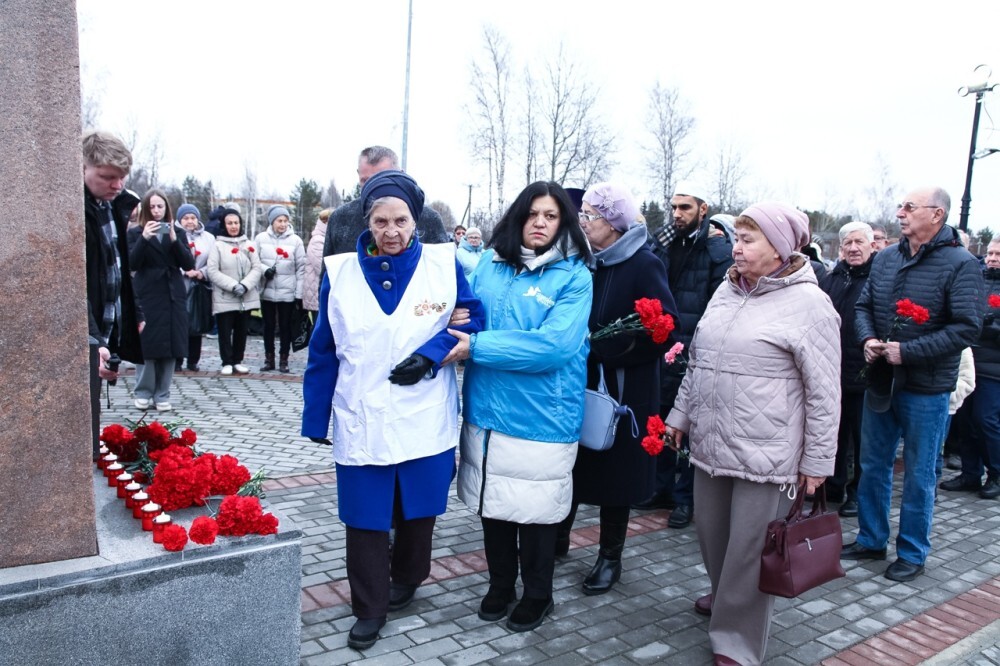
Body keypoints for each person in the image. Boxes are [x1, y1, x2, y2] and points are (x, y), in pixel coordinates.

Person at [302, 170, 484, 651]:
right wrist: (315, 417)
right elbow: (324, 349)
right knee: (364, 518)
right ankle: (369, 607)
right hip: (361, 412)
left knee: (417, 510)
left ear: (415, 221)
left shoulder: (444, 266)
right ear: (368, 221)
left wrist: (432, 352)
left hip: (423, 412)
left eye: (400, 220)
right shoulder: (340, 273)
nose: (391, 231)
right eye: (381, 221)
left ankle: (407, 577)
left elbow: (474, 318)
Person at [665, 202, 841, 666]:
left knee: (748, 552)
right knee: (713, 536)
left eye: (746, 240)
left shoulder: (811, 305)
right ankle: (727, 599)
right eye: (736, 239)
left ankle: (736, 643)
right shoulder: (726, 291)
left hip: (769, 454)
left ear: (780, 247)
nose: (735, 249)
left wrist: (818, 463)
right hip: (712, 441)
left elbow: (825, 393)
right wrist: (680, 416)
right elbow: (700, 361)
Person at [448, 181, 594, 633]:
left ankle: (538, 594)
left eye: (550, 216)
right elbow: (466, 311)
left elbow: (553, 346)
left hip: (541, 415)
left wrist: (478, 347)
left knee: (535, 513)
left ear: (563, 223)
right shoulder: (490, 265)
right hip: (488, 409)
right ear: (518, 217)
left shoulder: (574, 275)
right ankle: (499, 585)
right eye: (533, 214)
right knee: (493, 504)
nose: (540, 223)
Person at [843, 187, 985, 583]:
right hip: (883, 380)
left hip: (927, 387)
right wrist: (868, 339)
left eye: (909, 207)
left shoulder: (961, 263)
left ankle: (912, 552)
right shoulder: (886, 257)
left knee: (920, 473)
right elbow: (863, 306)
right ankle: (871, 538)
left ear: (936, 215)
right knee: (873, 464)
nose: (900, 212)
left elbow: (966, 327)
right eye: (901, 206)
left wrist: (910, 351)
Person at [558, 182, 676, 595]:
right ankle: (558, 539)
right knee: (572, 462)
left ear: (612, 223)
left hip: (625, 390)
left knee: (616, 477)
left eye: (588, 216)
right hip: (580, 380)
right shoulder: (585, 261)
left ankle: (610, 556)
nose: (582, 222)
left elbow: (664, 327)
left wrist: (606, 346)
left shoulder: (643, 264)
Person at [636, 183, 733, 530]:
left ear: (703, 209)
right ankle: (659, 488)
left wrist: (698, 348)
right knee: (661, 420)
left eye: (685, 208)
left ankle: (684, 498)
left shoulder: (717, 249)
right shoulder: (666, 243)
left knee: (691, 427)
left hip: (696, 349)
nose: (677, 214)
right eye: (674, 207)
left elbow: (721, 304)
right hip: (664, 345)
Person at [83, 131, 142, 457]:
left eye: (122, 178)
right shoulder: (73, 209)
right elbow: (74, 287)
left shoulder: (111, 206)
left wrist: (137, 313)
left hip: (106, 327)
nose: (117, 185)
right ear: (82, 167)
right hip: (88, 331)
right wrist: (93, 340)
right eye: (108, 177)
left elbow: (119, 271)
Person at [819, 221, 876, 517]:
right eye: (847, 244)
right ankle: (833, 485)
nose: (853, 248)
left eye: (859, 242)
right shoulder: (832, 279)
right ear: (840, 249)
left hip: (864, 374)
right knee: (835, 434)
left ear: (871, 246)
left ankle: (858, 493)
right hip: (833, 372)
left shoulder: (879, 278)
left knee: (863, 440)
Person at [940, 234, 1000, 498]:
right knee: (964, 421)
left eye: (998, 255)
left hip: (993, 368)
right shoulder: (977, 277)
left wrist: (989, 326)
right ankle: (971, 473)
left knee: (986, 420)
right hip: (968, 360)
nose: (992, 259)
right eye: (990, 253)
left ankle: (996, 473)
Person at [126, 189, 195, 412]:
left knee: (171, 345)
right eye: (152, 207)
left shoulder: (179, 233)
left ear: (167, 208)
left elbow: (188, 264)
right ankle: (143, 391)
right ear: (146, 209)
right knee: (148, 344)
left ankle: (162, 393)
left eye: (160, 206)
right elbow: (132, 263)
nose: (156, 211)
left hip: (172, 292)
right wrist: (145, 239)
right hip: (147, 292)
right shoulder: (135, 233)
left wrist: (175, 240)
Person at [322, 146, 448, 257]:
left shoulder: (429, 220)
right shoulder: (340, 219)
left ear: (401, 174)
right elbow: (329, 278)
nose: (373, 188)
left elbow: (446, 274)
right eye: (365, 181)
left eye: (383, 180)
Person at [205, 208, 263, 376]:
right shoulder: (218, 246)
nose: (233, 226)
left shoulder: (248, 245)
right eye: (229, 223)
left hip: (245, 296)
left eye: (236, 223)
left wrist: (245, 285)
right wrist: (232, 285)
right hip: (225, 296)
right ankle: (227, 361)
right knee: (224, 330)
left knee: (241, 330)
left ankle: (238, 360)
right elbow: (213, 271)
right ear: (224, 225)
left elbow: (256, 268)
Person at [255, 204, 306, 373]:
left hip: (287, 292)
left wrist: (298, 293)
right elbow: (254, 261)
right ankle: (269, 358)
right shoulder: (261, 238)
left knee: (285, 327)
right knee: (268, 326)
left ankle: (284, 359)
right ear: (272, 222)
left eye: (285, 220)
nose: (282, 224)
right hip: (267, 290)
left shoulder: (296, 241)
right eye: (279, 221)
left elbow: (301, 268)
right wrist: (265, 270)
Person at [177, 203, 215, 372]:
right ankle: (176, 359)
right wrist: (184, 270)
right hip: (179, 282)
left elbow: (213, 262)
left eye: (193, 218)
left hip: (199, 284)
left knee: (196, 322)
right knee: (178, 323)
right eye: (185, 218)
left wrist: (201, 272)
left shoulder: (208, 238)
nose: (190, 221)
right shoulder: (175, 234)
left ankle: (193, 360)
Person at [303, 208, 332, 317]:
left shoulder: (326, 238)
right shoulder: (318, 240)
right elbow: (321, 267)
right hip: (316, 291)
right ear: (325, 222)